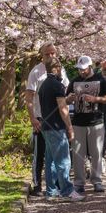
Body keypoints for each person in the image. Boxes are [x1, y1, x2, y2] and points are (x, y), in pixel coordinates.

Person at [24, 43, 68, 197]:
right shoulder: (35, 72)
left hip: (56, 119)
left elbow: (64, 92)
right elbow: (29, 97)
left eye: (53, 53)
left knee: (55, 153)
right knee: (40, 152)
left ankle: (54, 184)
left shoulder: (61, 70)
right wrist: (33, 119)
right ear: (41, 55)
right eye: (47, 54)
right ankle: (37, 184)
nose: (50, 56)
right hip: (40, 118)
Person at [37, 56, 83, 201]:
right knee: (63, 160)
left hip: (46, 126)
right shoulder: (57, 85)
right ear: (57, 68)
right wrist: (69, 127)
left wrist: (66, 99)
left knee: (50, 160)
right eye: (61, 68)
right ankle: (67, 191)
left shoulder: (44, 84)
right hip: (56, 126)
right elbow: (63, 109)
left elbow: (53, 103)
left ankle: (51, 191)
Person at [66, 56, 106, 194]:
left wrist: (96, 99)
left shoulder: (101, 80)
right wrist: (69, 99)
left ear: (90, 67)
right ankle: (79, 182)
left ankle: (97, 180)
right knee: (78, 154)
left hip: (96, 122)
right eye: (79, 69)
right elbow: (66, 99)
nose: (81, 71)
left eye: (84, 69)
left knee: (97, 153)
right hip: (78, 122)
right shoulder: (75, 81)